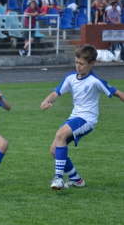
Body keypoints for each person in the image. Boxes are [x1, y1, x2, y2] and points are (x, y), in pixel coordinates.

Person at [40, 44, 124, 190]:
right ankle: (77, 180)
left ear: (92, 64)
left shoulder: (95, 82)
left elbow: (118, 93)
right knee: (54, 150)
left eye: (82, 64)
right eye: (76, 62)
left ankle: (58, 178)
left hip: (87, 119)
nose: (78, 66)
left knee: (60, 135)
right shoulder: (71, 78)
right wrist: (46, 101)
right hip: (74, 117)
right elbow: (56, 93)